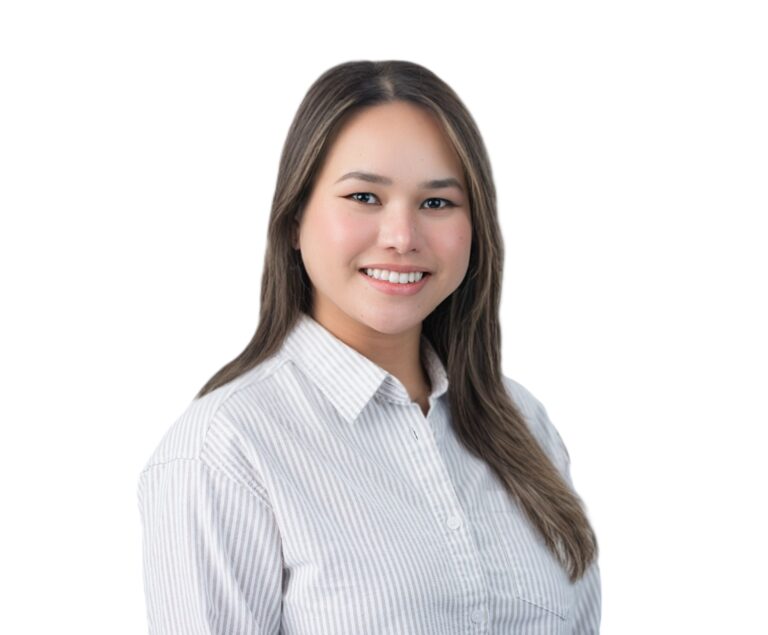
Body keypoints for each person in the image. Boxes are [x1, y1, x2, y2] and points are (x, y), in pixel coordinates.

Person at [137, 59, 601, 634]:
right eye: (364, 196)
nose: (402, 237)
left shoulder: (525, 425)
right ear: (294, 219)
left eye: (437, 203)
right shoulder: (227, 449)